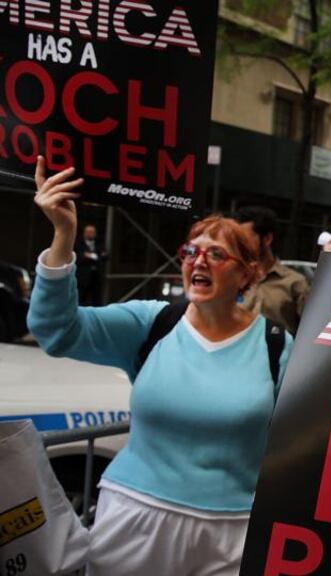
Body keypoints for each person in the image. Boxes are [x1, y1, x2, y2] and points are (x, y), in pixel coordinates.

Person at [27, 157, 293, 575]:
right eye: (191, 251)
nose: (198, 261)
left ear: (248, 275)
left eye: (216, 254)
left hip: (233, 532)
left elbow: (320, 423)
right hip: (135, 518)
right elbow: (55, 329)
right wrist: (64, 235)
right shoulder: (152, 322)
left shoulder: (276, 346)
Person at [233, 206, 309, 335]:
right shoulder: (232, 279)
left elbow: (311, 332)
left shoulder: (295, 284)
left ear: (267, 239)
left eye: (245, 239)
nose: (240, 245)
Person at [74, 223, 105, 306]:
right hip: (83, 276)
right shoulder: (78, 243)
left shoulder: (99, 243)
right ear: (84, 233)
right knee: (81, 298)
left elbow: (105, 255)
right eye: (88, 232)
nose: (90, 234)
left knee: (97, 298)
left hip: (96, 275)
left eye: (92, 232)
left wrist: (91, 256)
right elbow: (77, 256)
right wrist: (87, 256)